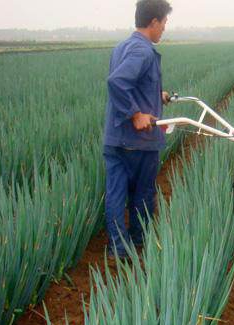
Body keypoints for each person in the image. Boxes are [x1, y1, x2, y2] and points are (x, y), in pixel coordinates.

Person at [103, 0, 172, 258]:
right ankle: (139, 243)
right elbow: (118, 82)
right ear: (153, 22)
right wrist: (135, 114)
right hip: (138, 141)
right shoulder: (143, 51)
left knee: (115, 194)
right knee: (142, 193)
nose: (164, 28)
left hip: (115, 138)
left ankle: (117, 250)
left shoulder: (123, 46)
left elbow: (131, 83)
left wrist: (157, 94)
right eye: (164, 23)